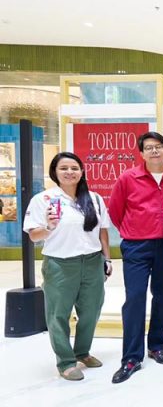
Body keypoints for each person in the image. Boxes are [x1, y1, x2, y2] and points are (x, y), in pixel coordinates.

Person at [23, 152, 111, 380]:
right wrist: (49, 227)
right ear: (55, 172)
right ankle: (65, 362)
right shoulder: (43, 199)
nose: (69, 172)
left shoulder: (94, 198)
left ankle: (82, 352)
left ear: (82, 171)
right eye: (63, 168)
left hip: (92, 262)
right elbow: (33, 235)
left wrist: (107, 259)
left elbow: (102, 231)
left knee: (91, 310)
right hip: (60, 265)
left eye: (74, 168)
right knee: (58, 314)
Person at [110, 132, 163, 384]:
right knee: (135, 298)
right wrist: (132, 231)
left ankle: (157, 345)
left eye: (159, 146)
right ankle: (131, 357)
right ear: (141, 153)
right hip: (136, 246)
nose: (154, 151)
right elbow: (116, 211)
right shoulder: (128, 178)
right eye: (149, 147)